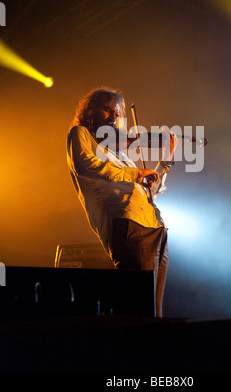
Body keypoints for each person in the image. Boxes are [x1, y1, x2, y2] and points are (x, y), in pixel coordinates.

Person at [66, 86, 177, 317]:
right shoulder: (80, 134)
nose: (114, 117)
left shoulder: (119, 153)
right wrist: (136, 174)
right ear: (90, 111)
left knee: (156, 311)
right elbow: (87, 165)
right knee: (140, 307)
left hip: (155, 226)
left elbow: (150, 191)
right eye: (107, 110)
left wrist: (165, 160)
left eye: (116, 113)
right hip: (130, 225)